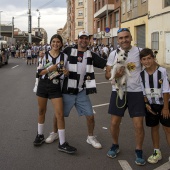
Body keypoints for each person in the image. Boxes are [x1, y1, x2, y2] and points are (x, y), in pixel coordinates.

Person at [45, 30, 107, 149]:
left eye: (86, 38)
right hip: (67, 90)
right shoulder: (68, 51)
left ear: (89, 40)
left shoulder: (91, 54)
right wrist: (44, 55)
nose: (83, 40)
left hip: (81, 91)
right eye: (81, 38)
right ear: (77, 39)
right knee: (58, 114)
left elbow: (105, 63)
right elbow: (55, 57)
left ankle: (90, 137)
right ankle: (54, 133)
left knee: (90, 115)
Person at [105, 28, 146, 165]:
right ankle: (115, 145)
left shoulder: (140, 52)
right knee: (114, 123)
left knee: (138, 125)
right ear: (118, 39)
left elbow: (149, 69)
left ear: (131, 37)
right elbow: (107, 74)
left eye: (126, 37)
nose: (124, 40)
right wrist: (115, 76)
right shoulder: (113, 54)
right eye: (121, 38)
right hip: (118, 91)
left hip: (136, 92)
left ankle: (139, 150)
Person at [33, 34, 77, 154]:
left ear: (61, 44)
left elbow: (67, 73)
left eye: (58, 42)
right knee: (41, 111)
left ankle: (62, 143)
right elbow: (39, 73)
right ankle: (40, 135)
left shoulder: (65, 56)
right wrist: (49, 69)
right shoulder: (44, 55)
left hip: (56, 85)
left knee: (59, 114)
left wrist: (67, 73)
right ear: (51, 43)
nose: (55, 44)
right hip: (43, 84)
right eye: (53, 42)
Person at [139, 48, 170, 164]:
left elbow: (166, 90)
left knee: (167, 129)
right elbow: (143, 92)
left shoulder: (161, 71)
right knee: (154, 128)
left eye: (149, 58)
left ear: (153, 58)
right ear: (141, 61)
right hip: (151, 106)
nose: (147, 61)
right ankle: (157, 152)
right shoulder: (141, 74)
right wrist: (146, 103)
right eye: (144, 59)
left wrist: (166, 108)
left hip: (164, 105)